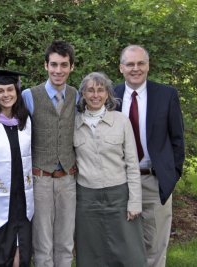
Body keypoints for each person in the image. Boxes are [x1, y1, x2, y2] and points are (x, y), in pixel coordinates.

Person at [114, 45, 185, 267]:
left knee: (154, 246)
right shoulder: (109, 95)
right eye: (130, 64)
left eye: (140, 63)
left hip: (154, 180)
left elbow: (177, 139)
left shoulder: (166, 95)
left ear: (148, 65)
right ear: (121, 68)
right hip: (120, 181)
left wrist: (171, 175)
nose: (136, 68)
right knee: (122, 245)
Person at [74, 72, 147, 266]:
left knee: (129, 253)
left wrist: (135, 202)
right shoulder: (74, 123)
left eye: (100, 90)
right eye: (90, 90)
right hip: (86, 200)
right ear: (83, 94)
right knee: (91, 254)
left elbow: (132, 165)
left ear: (108, 94)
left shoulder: (121, 121)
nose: (95, 95)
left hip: (119, 197)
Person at [22, 40, 77, 267]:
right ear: (45, 65)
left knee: (66, 243)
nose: (58, 70)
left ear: (71, 67)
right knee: (42, 245)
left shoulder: (77, 95)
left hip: (68, 178)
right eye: (53, 64)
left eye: (64, 65)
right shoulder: (28, 95)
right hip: (40, 178)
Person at [0, 68, 33, 267]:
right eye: (0, 91)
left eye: (10, 89)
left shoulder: (26, 121)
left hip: (23, 197)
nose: (6, 95)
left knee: (21, 248)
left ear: (17, 92)